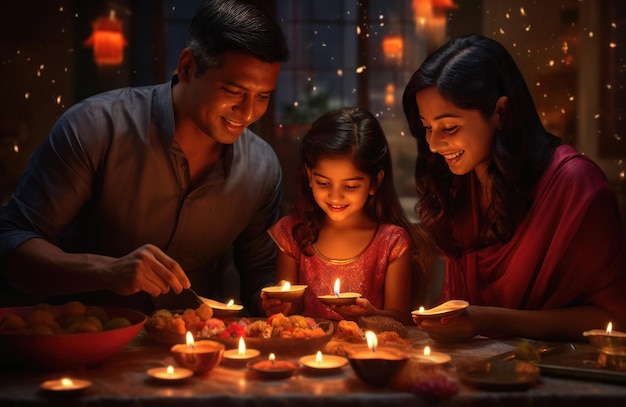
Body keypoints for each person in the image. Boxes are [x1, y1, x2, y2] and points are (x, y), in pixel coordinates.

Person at [0, 0, 290, 316]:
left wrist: (271, 300)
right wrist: (107, 271)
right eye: (234, 91)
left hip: (190, 351)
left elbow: (259, 275)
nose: (248, 113)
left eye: (262, 96)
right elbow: (11, 243)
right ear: (188, 66)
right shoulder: (96, 128)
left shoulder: (262, 168)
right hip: (78, 340)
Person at [402, 34, 626, 342]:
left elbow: (615, 319)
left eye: (449, 127)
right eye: (427, 127)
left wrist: (491, 319)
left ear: (500, 113)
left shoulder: (576, 186)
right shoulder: (457, 182)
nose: (434, 144)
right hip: (478, 370)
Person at [261, 107, 430, 324]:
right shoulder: (293, 233)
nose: (335, 196)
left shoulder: (391, 242)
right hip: (308, 353)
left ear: (375, 182)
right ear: (309, 176)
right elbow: (291, 309)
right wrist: (280, 306)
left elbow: (400, 319)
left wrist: (370, 315)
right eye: (323, 183)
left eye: (350, 186)